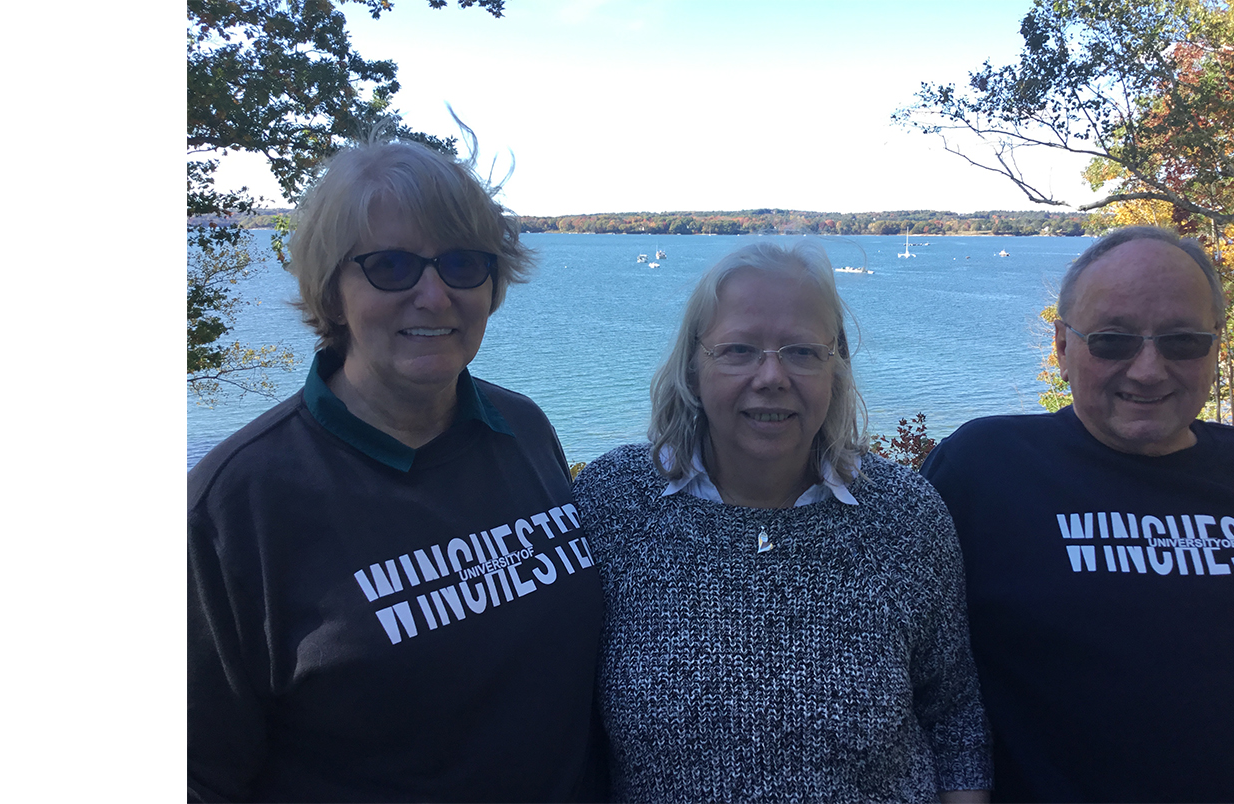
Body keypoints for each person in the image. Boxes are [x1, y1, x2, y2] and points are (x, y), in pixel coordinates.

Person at [187, 135, 606, 802]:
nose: (435, 296)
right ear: (332, 287)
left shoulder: (522, 430)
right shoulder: (235, 506)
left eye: (463, 264)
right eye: (390, 266)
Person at [572, 241, 991, 803]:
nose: (771, 376)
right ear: (694, 369)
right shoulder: (612, 503)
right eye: (739, 349)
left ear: (835, 368)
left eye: (801, 352)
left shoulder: (906, 514)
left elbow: (955, 717)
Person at [921, 226, 1234, 803]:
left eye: (1182, 341)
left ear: (1216, 344)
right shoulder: (983, 469)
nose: (1149, 369)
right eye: (1112, 341)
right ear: (1062, 346)